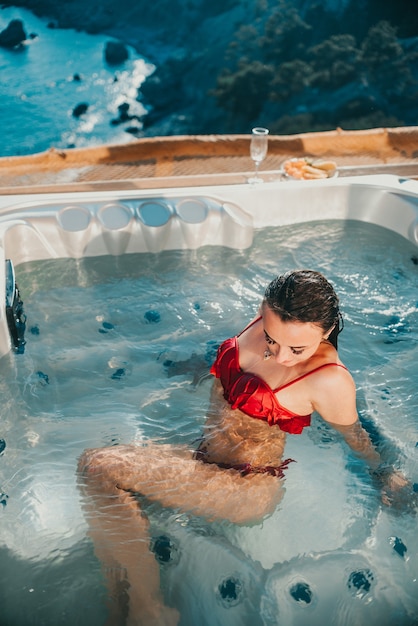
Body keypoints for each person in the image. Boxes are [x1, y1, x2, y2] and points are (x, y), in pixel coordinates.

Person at [78, 269, 407, 626]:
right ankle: (119, 606)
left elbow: (354, 434)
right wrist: (199, 366)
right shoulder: (267, 322)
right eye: (272, 339)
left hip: (245, 484)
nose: (280, 356)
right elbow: (232, 367)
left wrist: (384, 472)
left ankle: (151, 610)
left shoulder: (329, 380)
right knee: (95, 473)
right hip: (201, 455)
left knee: (100, 467)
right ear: (264, 311)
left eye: (298, 348)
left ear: (326, 332)